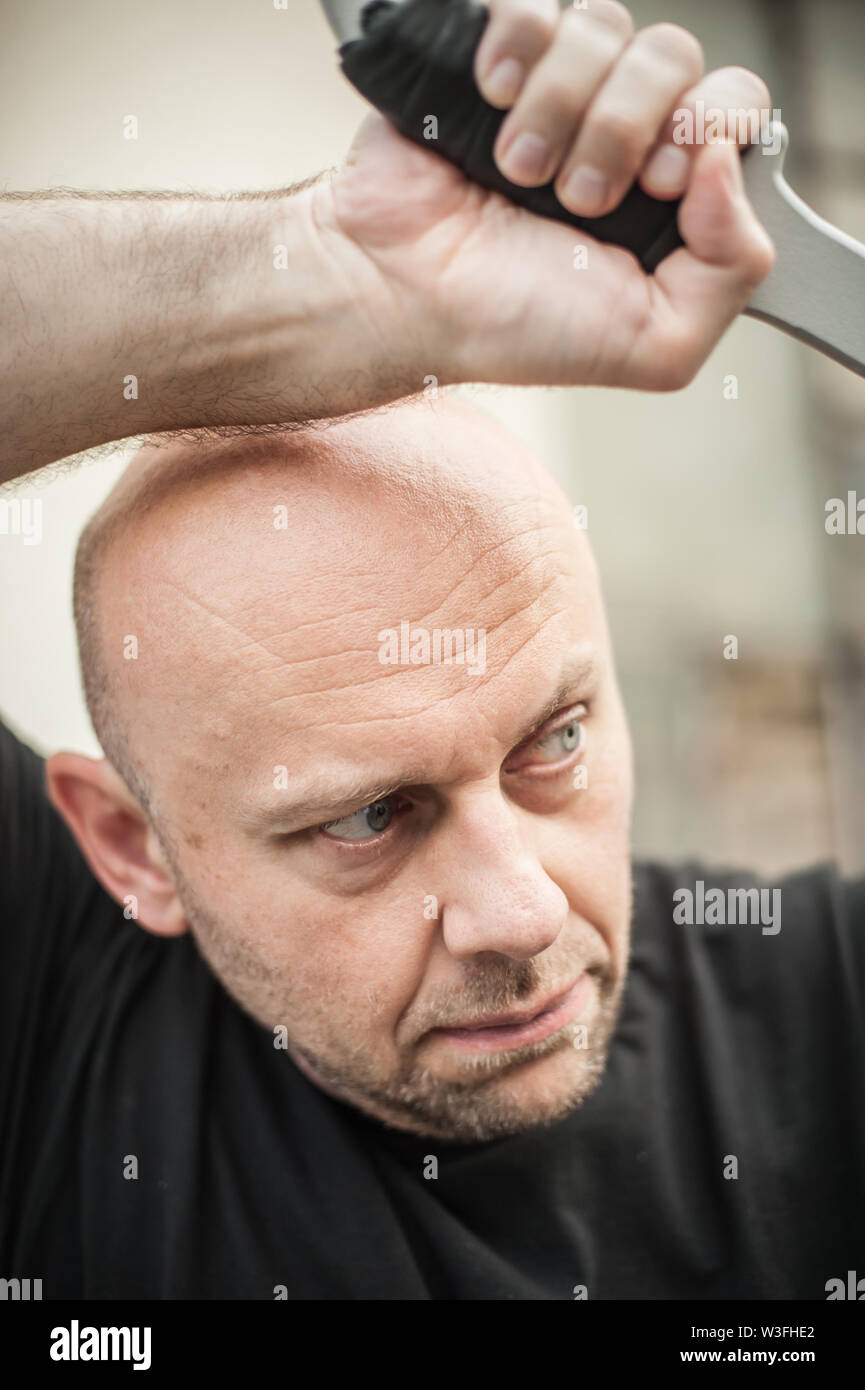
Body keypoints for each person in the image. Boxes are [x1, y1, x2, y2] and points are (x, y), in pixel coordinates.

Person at [2, 1, 861, 1300]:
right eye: (365, 819)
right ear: (131, 846)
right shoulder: (58, 1030)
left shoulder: (829, 1011)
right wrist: (330, 275)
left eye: (553, 742)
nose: (521, 912)